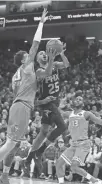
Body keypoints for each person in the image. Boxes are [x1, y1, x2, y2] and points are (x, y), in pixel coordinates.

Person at [0, 8, 50, 184]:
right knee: (10, 143)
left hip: (19, 106)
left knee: (13, 144)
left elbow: (19, 91)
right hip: (21, 107)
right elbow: (36, 43)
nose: (30, 55)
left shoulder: (17, 74)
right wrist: (41, 23)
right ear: (23, 59)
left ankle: (4, 176)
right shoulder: (27, 66)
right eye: (27, 55)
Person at [24, 40, 70, 171]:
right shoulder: (38, 71)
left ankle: (29, 158)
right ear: (37, 59)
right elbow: (48, 73)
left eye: (45, 53)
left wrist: (61, 54)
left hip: (54, 102)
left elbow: (66, 64)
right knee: (62, 126)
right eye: (41, 54)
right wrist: (51, 58)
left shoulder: (54, 64)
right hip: (46, 103)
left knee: (44, 132)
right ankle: (40, 152)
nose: (44, 54)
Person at [56, 95, 102, 184]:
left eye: (80, 99)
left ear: (82, 104)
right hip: (73, 145)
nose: (78, 100)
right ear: (73, 102)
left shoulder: (86, 113)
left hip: (83, 144)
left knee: (74, 167)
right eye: (76, 99)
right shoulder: (69, 113)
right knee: (59, 163)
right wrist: (61, 103)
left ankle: (94, 180)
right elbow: (58, 112)